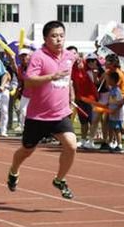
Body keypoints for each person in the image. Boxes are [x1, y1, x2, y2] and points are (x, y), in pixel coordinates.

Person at [7, 21, 77, 199]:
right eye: (54, 36)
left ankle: (60, 179)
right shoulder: (38, 57)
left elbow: (68, 79)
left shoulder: (70, 56)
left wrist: (71, 96)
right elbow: (29, 80)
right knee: (26, 151)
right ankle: (14, 170)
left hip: (60, 114)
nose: (58, 39)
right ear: (45, 38)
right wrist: (52, 76)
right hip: (38, 116)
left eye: (61, 35)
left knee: (71, 145)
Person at [106, 71, 124, 152]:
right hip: (111, 113)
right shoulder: (112, 90)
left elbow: (121, 103)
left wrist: (115, 110)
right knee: (110, 128)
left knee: (117, 129)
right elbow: (111, 100)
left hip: (116, 114)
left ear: (113, 80)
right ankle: (110, 143)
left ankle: (119, 144)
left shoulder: (117, 91)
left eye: (109, 79)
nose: (108, 81)